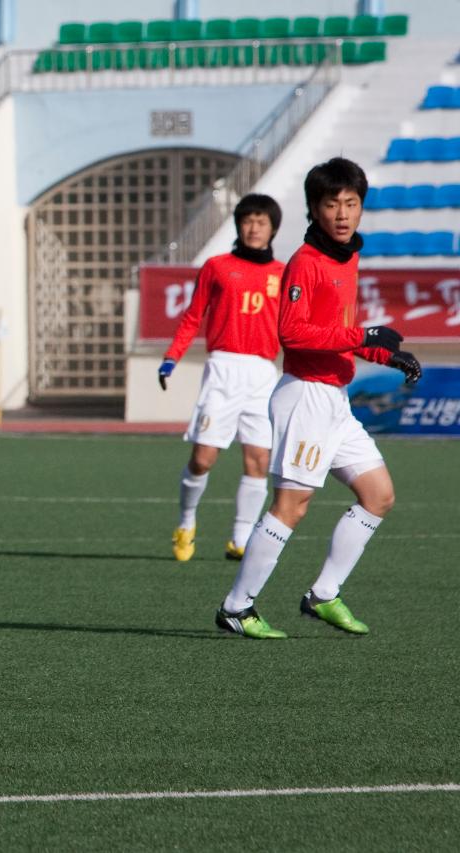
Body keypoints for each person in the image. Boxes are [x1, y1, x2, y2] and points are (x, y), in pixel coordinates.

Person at [215, 157, 422, 639]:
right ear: (314, 209)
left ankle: (324, 595)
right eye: (332, 204)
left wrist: (390, 356)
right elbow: (294, 333)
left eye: (352, 203)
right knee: (292, 506)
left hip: (335, 400)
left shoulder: (347, 257)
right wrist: (363, 332)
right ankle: (237, 607)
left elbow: (341, 335)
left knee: (379, 496)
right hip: (304, 397)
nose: (343, 213)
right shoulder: (306, 263)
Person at [159, 194, 285, 562]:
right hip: (224, 369)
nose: (254, 228)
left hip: (263, 371)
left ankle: (241, 539)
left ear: (272, 228)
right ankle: (186, 521)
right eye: (248, 220)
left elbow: (292, 328)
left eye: (262, 221)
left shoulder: (282, 273)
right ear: (238, 225)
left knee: (258, 459)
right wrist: (171, 358)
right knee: (203, 458)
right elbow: (192, 317)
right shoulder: (217, 266)